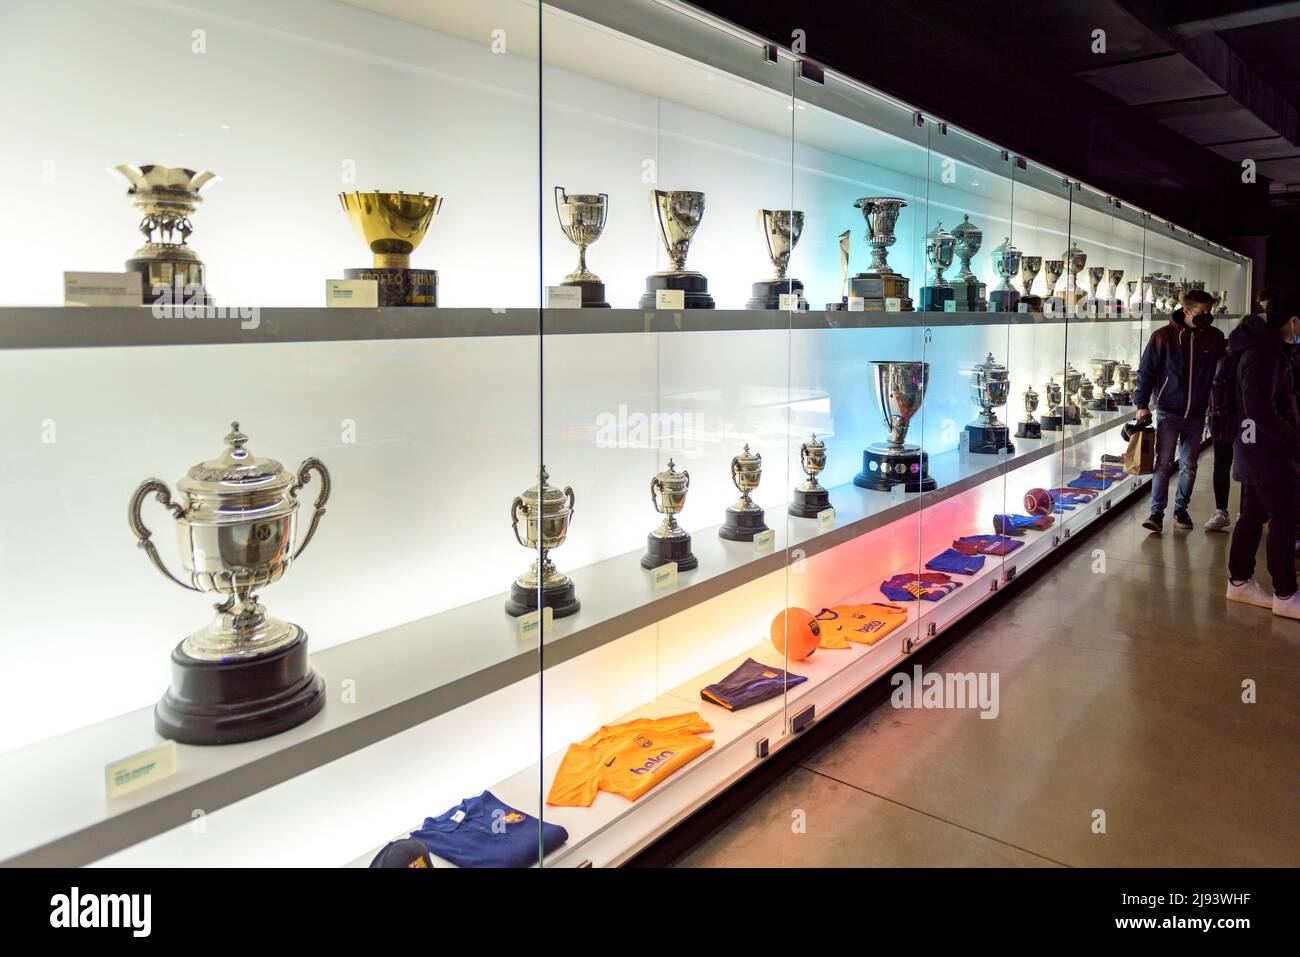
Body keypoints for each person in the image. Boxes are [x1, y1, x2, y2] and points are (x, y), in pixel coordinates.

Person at [1225, 291, 1300, 618]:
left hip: (1255, 448)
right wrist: (1292, 439)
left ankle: (1239, 582)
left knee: (1253, 514)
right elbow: (1259, 407)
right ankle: (1285, 593)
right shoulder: (1264, 353)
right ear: (1292, 321)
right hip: (1265, 451)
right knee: (1284, 517)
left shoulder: (1262, 348)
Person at [1132, 289, 1227, 532]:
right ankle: (1156, 513)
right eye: (1201, 312)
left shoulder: (1214, 338)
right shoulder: (1162, 337)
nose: (1207, 316)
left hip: (1196, 414)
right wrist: (1141, 405)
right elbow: (1146, 372)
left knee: (1189, 465)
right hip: (1168, 411)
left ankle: (1181, 509)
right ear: (1186, 310)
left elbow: (1222, 374)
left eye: (1209, 312)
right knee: (1163, 463)